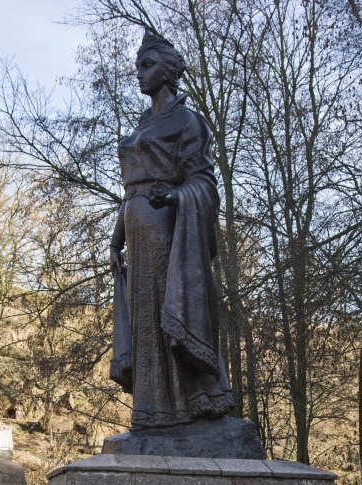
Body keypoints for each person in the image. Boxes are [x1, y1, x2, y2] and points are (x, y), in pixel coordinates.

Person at [109, 29, 234, 431]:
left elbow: (203, 182)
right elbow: (131, 190)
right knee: (145, 321)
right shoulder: (144, 124)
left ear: (169, 71)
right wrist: (117, 235)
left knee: (171, 315)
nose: (139, 74)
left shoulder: (187, 121)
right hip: (137, 232)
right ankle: (155, 411)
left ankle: (193, 404)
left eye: (147, 66)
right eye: (138, 67)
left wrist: (178, 197)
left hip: (168, 232)